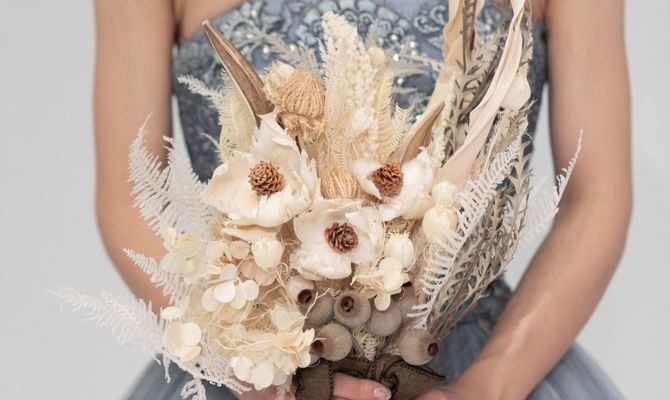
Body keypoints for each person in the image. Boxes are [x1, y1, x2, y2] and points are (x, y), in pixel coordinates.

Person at [94, 0, 631, 399]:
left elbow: (596, 195)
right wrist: (254, 371)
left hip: (475, 364)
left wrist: (488, 385)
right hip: (250, 377)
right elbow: (130, 196)